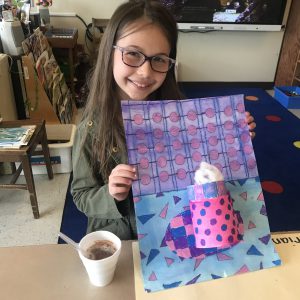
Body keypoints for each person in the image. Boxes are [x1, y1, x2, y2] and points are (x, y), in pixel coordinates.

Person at [71, 0, 256, 240]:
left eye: (159, 59)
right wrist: (111, 193)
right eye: (133, 54)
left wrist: (231, 140)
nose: (145, 72)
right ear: (110, 51)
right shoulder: (91, 125)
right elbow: (81, 194)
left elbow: (201, 168)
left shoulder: (180, 114)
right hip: (121, 238)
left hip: (175, 231)